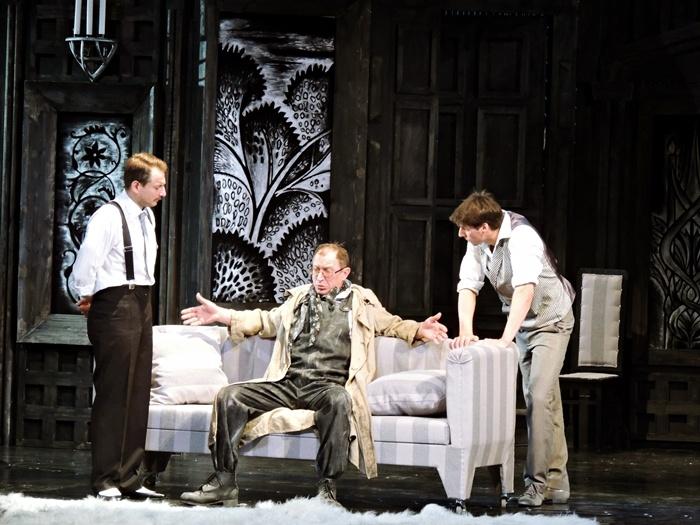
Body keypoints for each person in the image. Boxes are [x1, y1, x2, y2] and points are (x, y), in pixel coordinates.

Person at [178, 242, 448, 507]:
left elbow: (392, 324)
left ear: (344, 273)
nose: (319, 277)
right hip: (287, 383)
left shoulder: (361, 303)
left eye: (327, 271)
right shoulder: (298, 300)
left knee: (340, 400)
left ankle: (327, 487)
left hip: (325, 387)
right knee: (229, 396)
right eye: (315, 269)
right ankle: (224, 481)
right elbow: (265, 320)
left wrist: (419, 329)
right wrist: (223, 315)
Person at [448, 190, 575, 507]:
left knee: (538, 397)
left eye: (465, 228)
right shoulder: (478, 244)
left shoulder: (522, 237)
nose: (461, 234)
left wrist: (505, 339)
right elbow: (468, 286)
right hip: (524, 325)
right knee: (546, 399)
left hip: (551, 321)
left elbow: (525, 291)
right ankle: (557, 483)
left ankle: (536, 484)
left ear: (484, 227)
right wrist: (466, 331)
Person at [69, 152, 168, 500]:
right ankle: (106, 478)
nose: (163, 193)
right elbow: (87, 261)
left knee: (138, 392)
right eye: (158, 186)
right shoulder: (108, 216)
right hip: (115, 304)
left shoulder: (147, 217)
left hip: (142, 301)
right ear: (136, 185)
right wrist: (86, 293)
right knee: (114, 392)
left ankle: (129, 476)